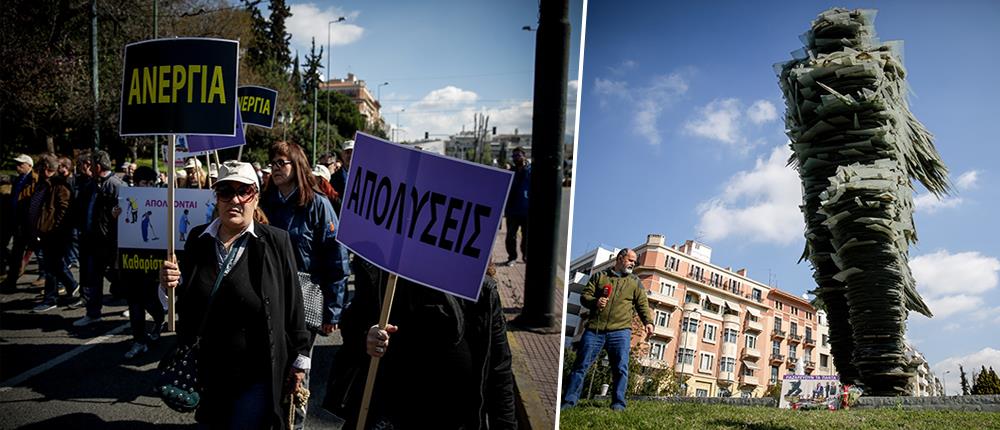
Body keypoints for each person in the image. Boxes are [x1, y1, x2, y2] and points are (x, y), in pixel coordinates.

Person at [160, 160, 311, 428]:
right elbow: (185, 301)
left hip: (256, 374)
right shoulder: (198, 239)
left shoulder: (277, 241)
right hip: (209, 372)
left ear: (256, 196)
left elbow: (293, 304)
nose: (236, 200)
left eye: (244, 191)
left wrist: (300, 359)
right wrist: (167, 286)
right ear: (217, 198)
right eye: (226, 192)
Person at [323, 258, 517, 429]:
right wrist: (367, 336)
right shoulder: (385, 276)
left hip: (457, 420)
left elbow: (499, 371)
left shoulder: (481, 292)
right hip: (390, 417)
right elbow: (353, 323)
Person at [260, 141, 350, 430]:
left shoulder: (318, 204)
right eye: (272, 162)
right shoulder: (262, 202)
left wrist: (333, 311)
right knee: (266, 369)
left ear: (297, 165)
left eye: (281, 162)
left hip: (304, 301)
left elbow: (337, 260)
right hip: (265, 299)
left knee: (297, 372)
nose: (274, 167)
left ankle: (294, 425)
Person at [561, 248, 653, 411]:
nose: (633, 263)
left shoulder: (634, 281)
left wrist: (648, 321)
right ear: (620, 259)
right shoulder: (600, 276)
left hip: (621, 331)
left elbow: (642, 305)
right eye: (631, 260)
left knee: (620, 368)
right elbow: (585, 296)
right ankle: (569, 401)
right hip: (595, 330)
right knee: (580, 366)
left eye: (634, 261)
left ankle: (618, 403)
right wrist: (595, 301)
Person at [74, 150, 125, 327]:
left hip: (110, 241)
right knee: (93, 277)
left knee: (119, 275)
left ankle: (132, 304)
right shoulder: (93, 185)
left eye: (90, 165)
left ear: (97, 166)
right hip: (94, 240)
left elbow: (123, 215)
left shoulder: (116, 185)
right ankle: (93, 313)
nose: (87, 168)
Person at [119, 166, 165, 359]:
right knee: (134, 301)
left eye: (151, 183)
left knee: (150, 299)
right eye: (144, 183)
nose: (148, 186)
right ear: (136, 183)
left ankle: (159, 319)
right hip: (131, 260)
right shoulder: (126, 199)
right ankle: (138, 340)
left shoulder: (162, 199)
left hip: (153, 261)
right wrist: (116, 216)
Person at [30, 154, 77, 312]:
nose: (40, 171)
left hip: (54, 233)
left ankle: (51, 298)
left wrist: (56, 228)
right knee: (54, 265)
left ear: (48, 169)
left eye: (42, 168)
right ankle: (71, 285)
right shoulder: (45, 183)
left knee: (51, 266)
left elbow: (64, 209)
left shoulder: (59, 185)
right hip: (44, 231)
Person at [1, 154, 38, 292]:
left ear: (29, 165)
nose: (18, 167)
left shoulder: (33, 179)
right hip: (16, 220)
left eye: (21, 164)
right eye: (17, 164)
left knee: (38, 251)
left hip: (28, 221)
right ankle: (11, 282)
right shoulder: (18, 180)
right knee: (16, 251)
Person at [502, 147, 530, 266]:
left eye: (518, 155)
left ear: (524, 156)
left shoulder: (530, 171)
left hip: (527, 211)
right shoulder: (511, 172)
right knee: (510, 237)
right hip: (512, 211)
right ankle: (512, 257)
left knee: (527, 237)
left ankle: (525, 256)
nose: (516, 158)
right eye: (514, 156)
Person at [328, 140, 353, 215]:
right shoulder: (333, 179)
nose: (350, 155)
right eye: (347, 152)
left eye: (352, 152)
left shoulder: (364, 179)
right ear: (342, 155)